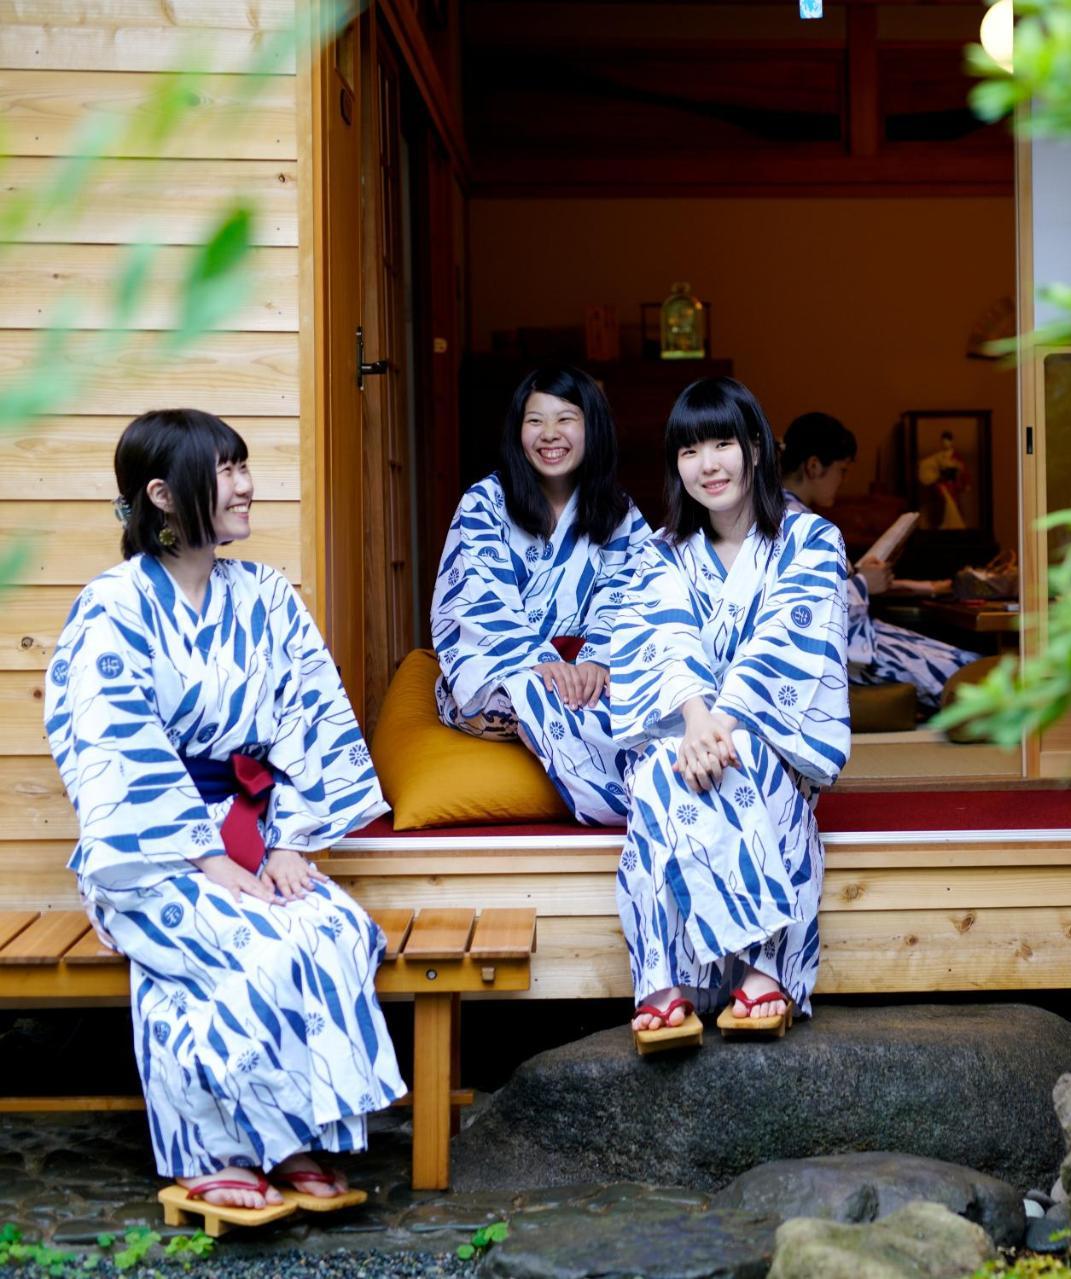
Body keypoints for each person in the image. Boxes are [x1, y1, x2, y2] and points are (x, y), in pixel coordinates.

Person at [44, 409, 405, 1212]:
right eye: (227, 468)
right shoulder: (112, 609)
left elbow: (309, 718)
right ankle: (217, 1152)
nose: (246, 484)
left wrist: (285, 842)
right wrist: (207, 856)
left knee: (331, 927)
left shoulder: (267, 596)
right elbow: (113, 749)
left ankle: (295, 1139)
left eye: (245, 464)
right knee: (247, 942)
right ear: (165, 495)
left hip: (255, 831)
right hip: (150, 853)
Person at [611, 378, 850, 1051]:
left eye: (722, 443)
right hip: (681, 733)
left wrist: (727, 724)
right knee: (662, 770)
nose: (708, 464)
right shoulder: (659, 553)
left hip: (773, 735)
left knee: (742, 763)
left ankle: (678, 984)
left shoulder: (811, 541)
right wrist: (694, 720)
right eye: (690, 450)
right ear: (674, 464)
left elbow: (789, 644)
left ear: (754, 449)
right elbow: (663, 641)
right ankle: (752, 970)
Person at [431, 366, 650, 825]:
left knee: (655, 692)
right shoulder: (485, 502)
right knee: (533, 694)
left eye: (565, 419)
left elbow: (632, 594)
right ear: (518, 431)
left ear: (593, 427)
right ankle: (628, 803)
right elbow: (478, 596)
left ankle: (658, 783)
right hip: (501, 675)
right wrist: (538, 660)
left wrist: (598, 661)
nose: (550, 435)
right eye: (535, 421)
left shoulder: (619, 512)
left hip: (592, 672)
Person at [780, 412, 979, 713]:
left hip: (853, 638)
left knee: (962, 663)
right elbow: (803, 607)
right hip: (838, 650)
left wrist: (863, 577)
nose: (842, 481)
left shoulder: (786, 514)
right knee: (960, 671)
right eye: (842, 471)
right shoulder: (795, 521)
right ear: (813, 466)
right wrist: (862, 583)